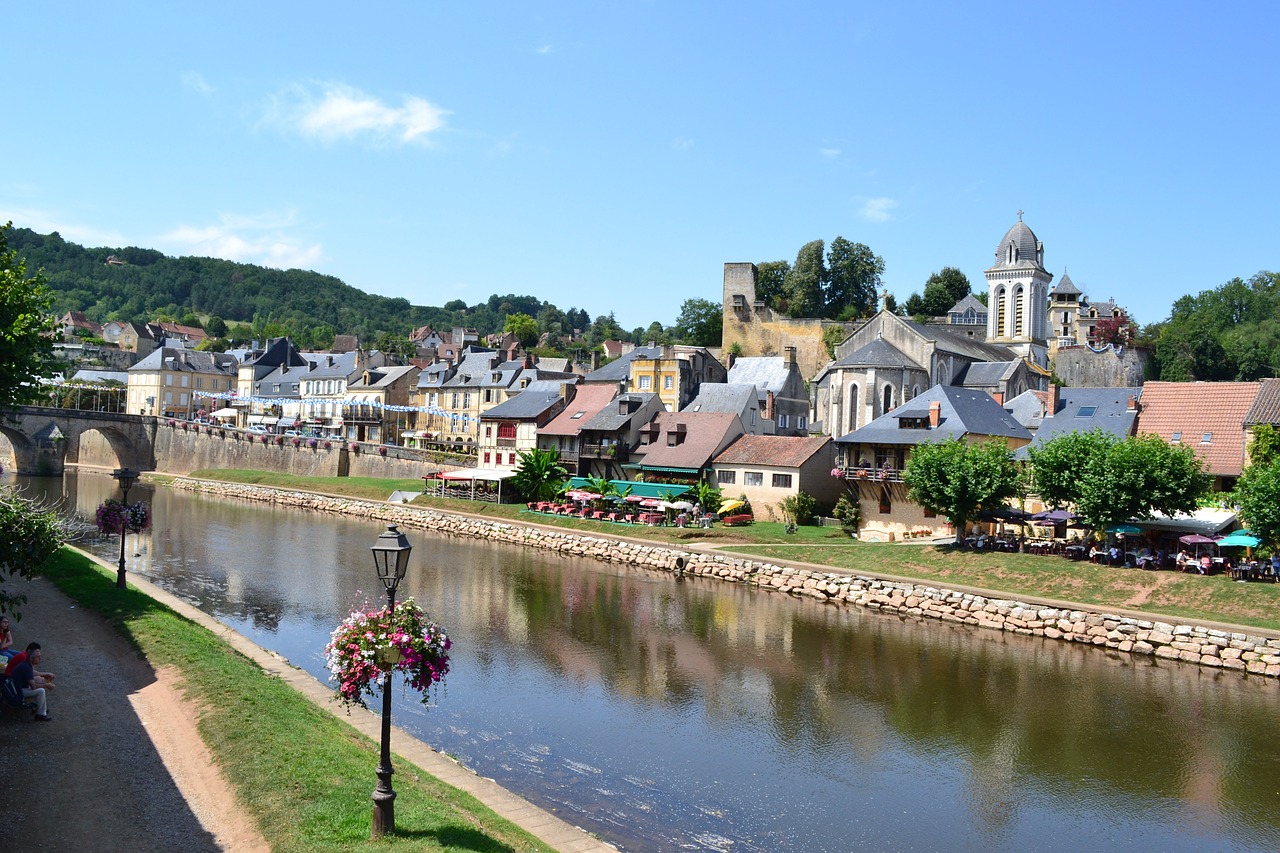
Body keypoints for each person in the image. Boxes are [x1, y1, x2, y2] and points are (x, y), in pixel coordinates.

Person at [8, 641, 52, 721]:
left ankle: (39, 708)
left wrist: (44, 678)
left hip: (15, 687)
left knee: (39, 682)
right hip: (16, 692)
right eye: (38, 657)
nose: (40, 659)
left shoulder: (26, 663)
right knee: (41, 690)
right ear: (31, 658)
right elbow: (34, 686)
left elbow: (32, 676)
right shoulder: (27, 667)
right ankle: (40, 715)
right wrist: (46, 685)